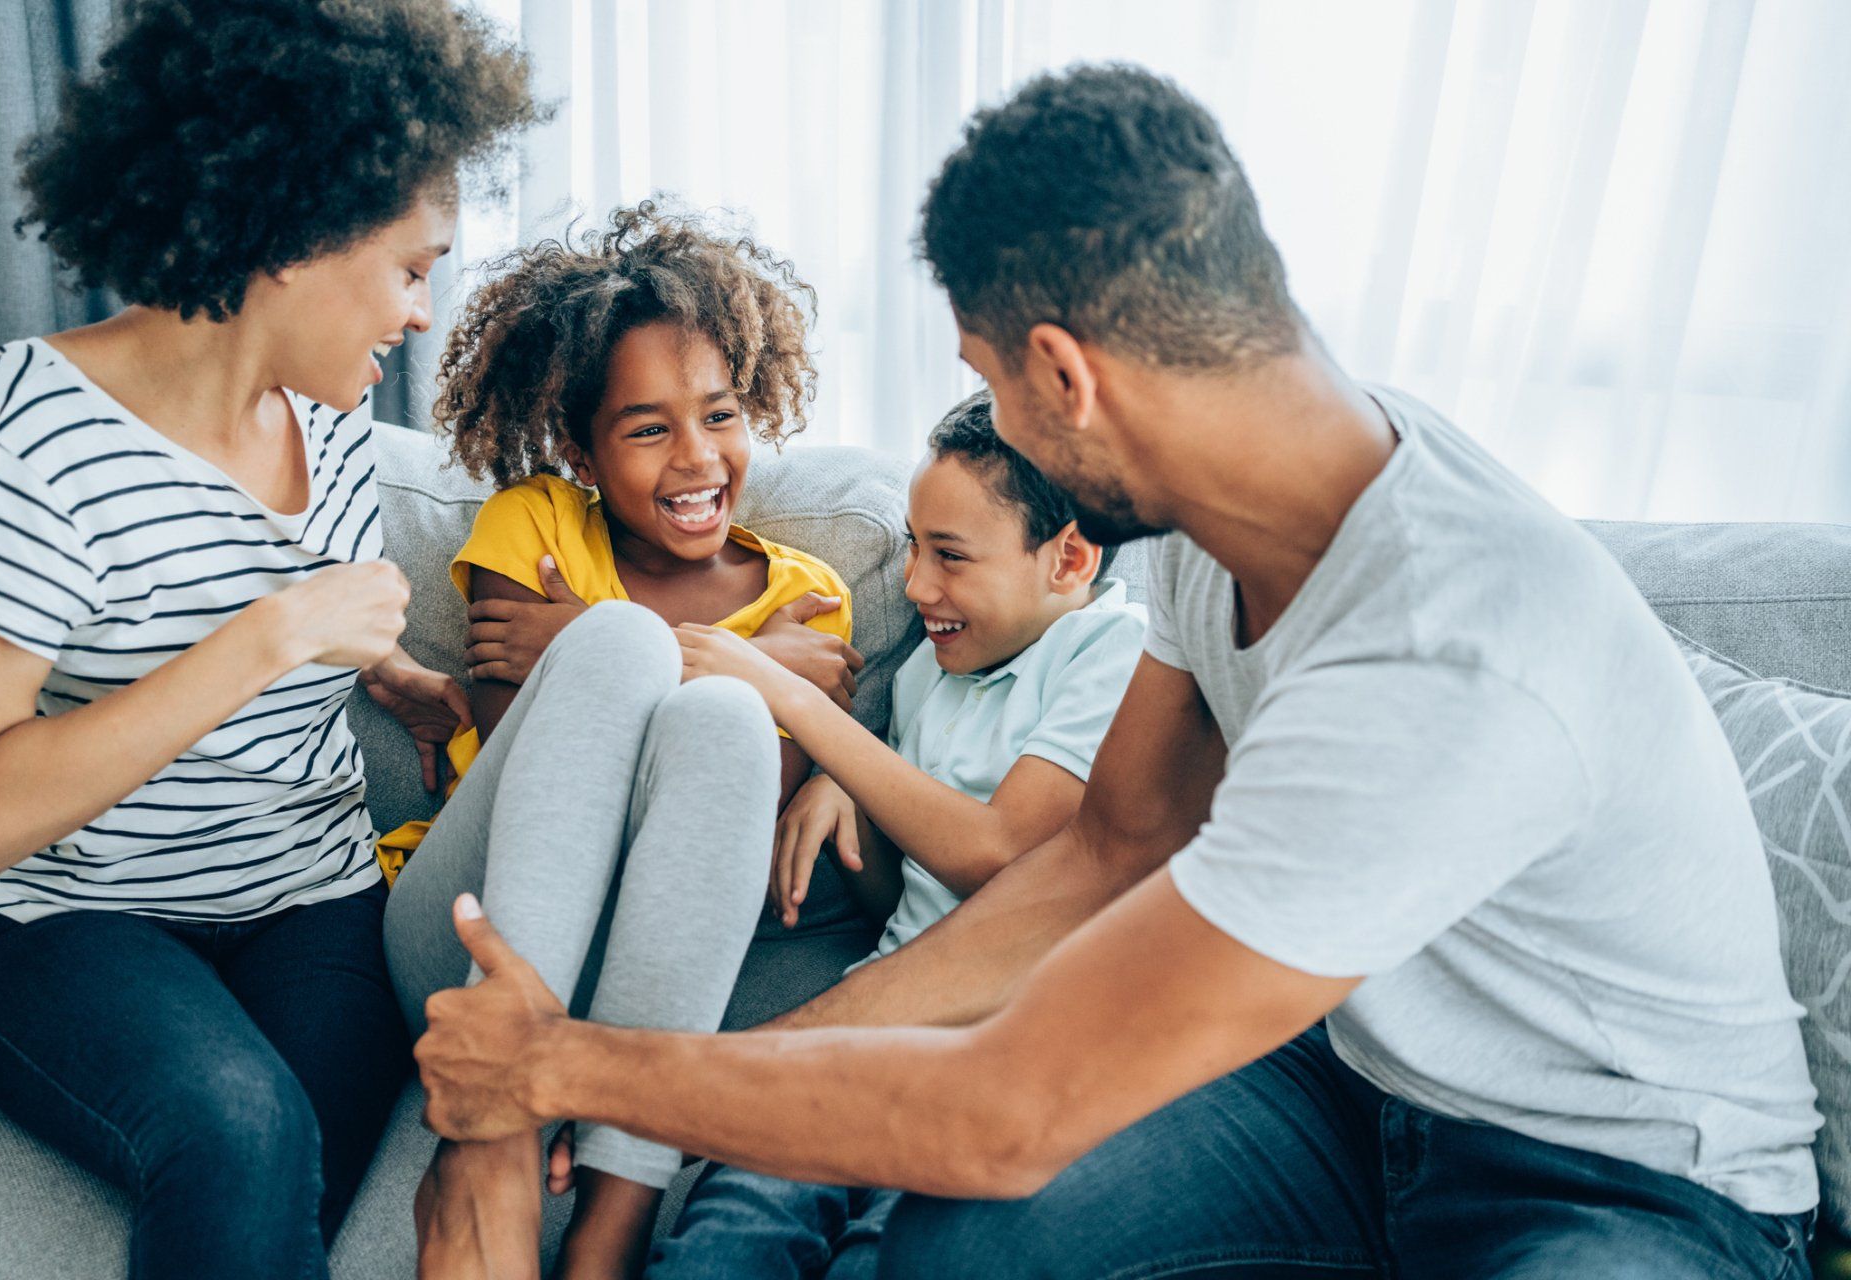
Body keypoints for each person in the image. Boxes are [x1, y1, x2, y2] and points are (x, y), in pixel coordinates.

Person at [411, 63, 1822, 1280]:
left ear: (1065, 380)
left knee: (981, 1162)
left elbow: (1005, 1110)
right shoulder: (1223, 530)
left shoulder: (1450, 650)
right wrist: (770, 1071)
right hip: (1358, 1090)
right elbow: (1102, 855)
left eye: (993, 380)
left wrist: (560, 1065)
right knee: (959, 1246)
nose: (998, 422)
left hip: (1626, 1174)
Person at [0, 2, 537, 1277]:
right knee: (242, 1129)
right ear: (297, 231)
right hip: (74, 926)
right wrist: (267, 637)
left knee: (278, 1179)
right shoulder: (20, 425)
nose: (425, 314)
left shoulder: (335, 432)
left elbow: (272, 609)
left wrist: (405, 681)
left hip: (312, 904)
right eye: (412, 265)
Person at [379, 203, 860, 1280]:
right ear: (580, 449)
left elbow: (733, 821)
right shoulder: (535, 523)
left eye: (722, 414)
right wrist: (719, 651)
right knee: (642, 658)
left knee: (726, 713)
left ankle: (614, 1219)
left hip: (642, 983)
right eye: (647, 428)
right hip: (470, 936)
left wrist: (667, 653)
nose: (697, 458)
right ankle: (490, 1144)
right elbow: (529, 761)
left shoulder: (811, 595)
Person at [644, 387, 1145, 1279]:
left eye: (950, 556)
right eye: (914, 548)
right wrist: (855, 803)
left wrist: (800, 706)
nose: (917, 586)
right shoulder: (929, 675)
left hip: (1000, 1052)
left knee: (890, 1251)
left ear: (1069, 560)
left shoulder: (1112, 652)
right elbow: (899, 904)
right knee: (732, 1225)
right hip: (876, 1019)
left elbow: (999, 858)